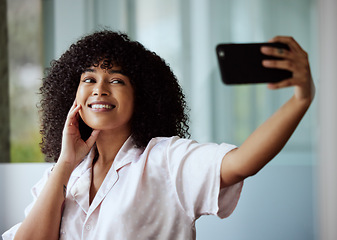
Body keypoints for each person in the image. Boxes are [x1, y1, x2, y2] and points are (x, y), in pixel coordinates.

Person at [2, 30, 314, 240]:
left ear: (142, 97)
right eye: (89, 78)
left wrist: (301, 100)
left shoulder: (167, 160)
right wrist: (66, 164)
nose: (100, 88)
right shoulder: (62, 176)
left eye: (117, 80)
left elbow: (242, 162)